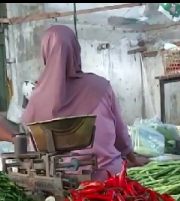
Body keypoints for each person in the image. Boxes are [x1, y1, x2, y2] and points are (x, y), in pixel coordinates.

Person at [22, 25, 147, 181]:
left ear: (45, 53)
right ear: (76, 50)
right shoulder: (101, 86)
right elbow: (120, 135)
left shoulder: (37, 98)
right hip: (108, 176)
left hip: (62, 180)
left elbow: (33, 147)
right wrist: (133, 159)